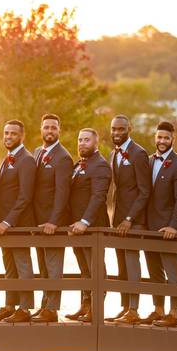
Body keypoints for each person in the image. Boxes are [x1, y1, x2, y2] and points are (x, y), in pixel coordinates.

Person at [142, 121, 177, 328]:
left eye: (166, 138)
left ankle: (174, 313)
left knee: (172, 270)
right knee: (154, 270)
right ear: (155, 137)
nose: (162, 141)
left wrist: (174, 226)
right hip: (148, 226)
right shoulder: (149, 161)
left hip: (168, 228)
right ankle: (158, 309)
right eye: (159, 137)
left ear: (173, 139)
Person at [0, 120, 38, 323]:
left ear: (22, 136)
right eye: (6, 133)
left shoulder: (26, 160)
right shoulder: (7, 158)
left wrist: (7, 222)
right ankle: (10, 305)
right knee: (9, 266)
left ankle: (25, 309)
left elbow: (25, 196)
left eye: (13, 134)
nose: (8, 136)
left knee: (23, 265)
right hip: (3, 224)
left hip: (18, 224)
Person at [106, 115, 151, 324]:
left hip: (133, 220)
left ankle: (134, 309)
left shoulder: (139, 153)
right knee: (121, 265)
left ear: (129, 129)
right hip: (118, 219)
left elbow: (144, 191)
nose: (116, 133)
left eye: (121, 129)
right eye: (114, 129)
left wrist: (129, 219)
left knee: (132, 264)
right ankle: (125, 307)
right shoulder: (113, 154)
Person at [65, 128, 111, 322]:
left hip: (93, 228)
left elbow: (98, 197)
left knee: (96, 270)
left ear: (96, 143)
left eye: (86, 140)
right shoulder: (79, 165)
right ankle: (84, 306)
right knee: (84, 269)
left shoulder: (100, 165)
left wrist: (85, 222)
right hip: (75, 228)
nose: (82, 143)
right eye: (80, 139)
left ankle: (95, 309)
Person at [31, 113, 73, 323]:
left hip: (52, 222)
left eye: (53, 128)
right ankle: (44, 304)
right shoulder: (37, 152)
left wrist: (55, 221)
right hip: (37, 221)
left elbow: (62, 193)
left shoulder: (63, 157)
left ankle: (52, 309)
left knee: (54, 266)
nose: (49, 131)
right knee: (43, 266)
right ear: (41, 129)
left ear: (59, 131)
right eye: (46, 127)